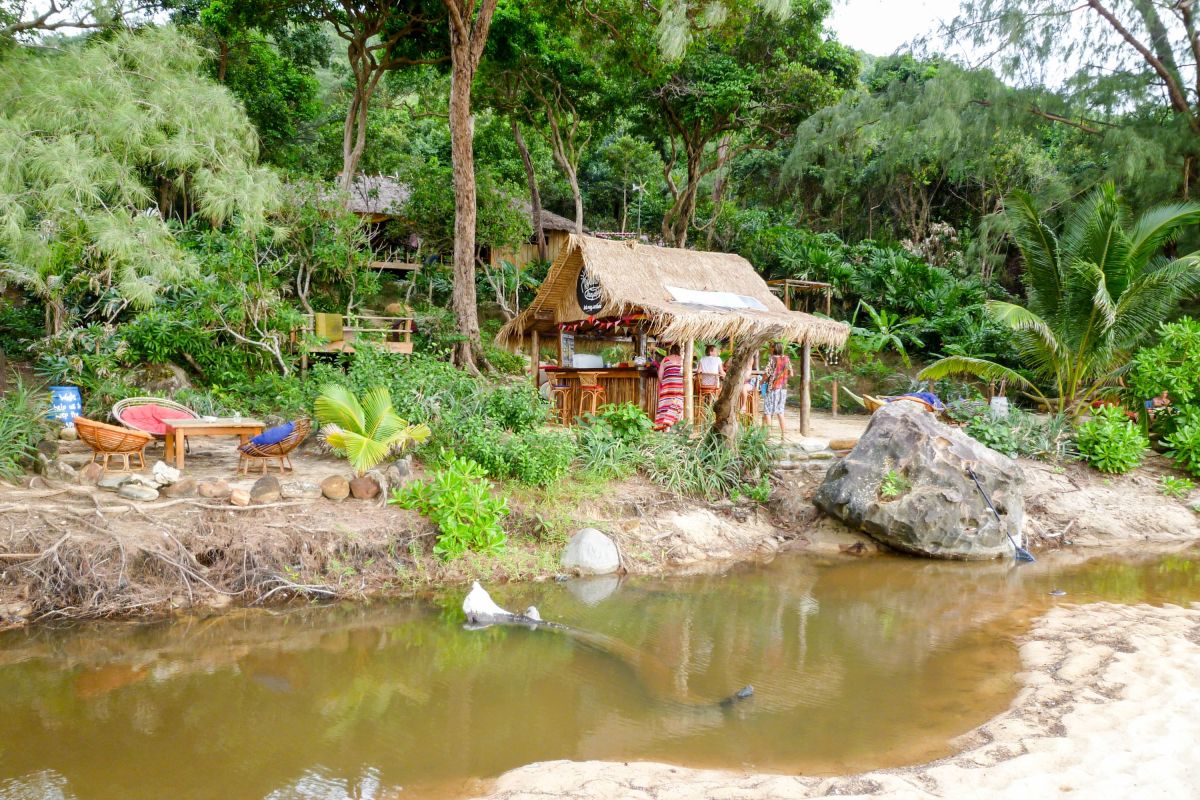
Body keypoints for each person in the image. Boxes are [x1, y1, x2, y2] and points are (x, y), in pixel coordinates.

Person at [761, 342, 792, 440]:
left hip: (773, 388)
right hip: (783, 388)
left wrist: (762, 381)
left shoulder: (773, 359)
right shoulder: (786, 359)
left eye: (771, 347)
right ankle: (783, 435)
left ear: (774, 348)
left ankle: (768, 436)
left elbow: (767, 373)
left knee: (768, 411)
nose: (770, 349)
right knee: (780, 411)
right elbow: (791, 373)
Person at [654, 344, 685, 430]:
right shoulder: (683, 360)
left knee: (666, 406)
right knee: (678, 407)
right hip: (680, 388)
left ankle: (665, 428)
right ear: (679, 351)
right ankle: (678, 428)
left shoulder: (665, 359)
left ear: (671, 351)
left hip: (668, 388)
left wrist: (664, 384)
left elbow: (660, 376)